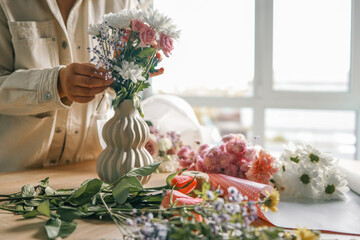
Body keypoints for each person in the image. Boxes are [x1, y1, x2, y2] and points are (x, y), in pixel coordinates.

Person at [0, 0, 143, 172]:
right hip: (13, 177)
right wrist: (56, 84)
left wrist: (137, 70)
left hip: (91, 172)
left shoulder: (123, 2)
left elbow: (123, 83)